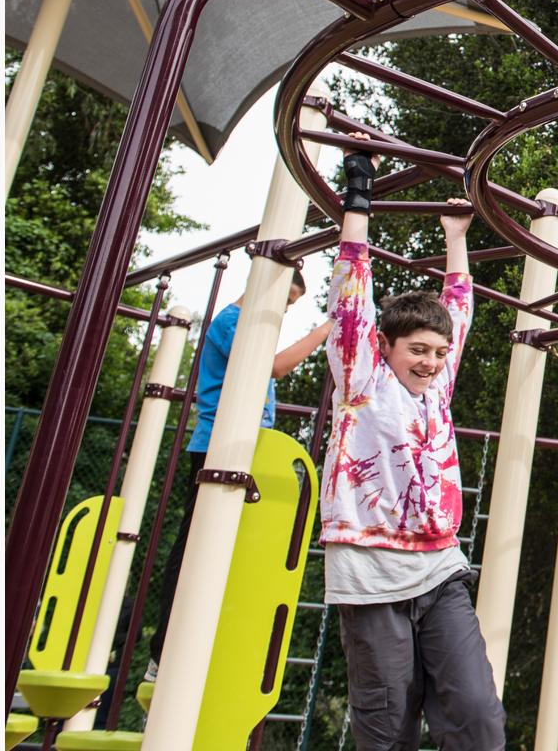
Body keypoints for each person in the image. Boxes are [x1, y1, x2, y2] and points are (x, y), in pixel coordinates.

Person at [321, 134, 504, 750]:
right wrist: (360, 191)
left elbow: (460, 308)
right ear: (386, 348)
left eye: (437, 352)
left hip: (438, 565)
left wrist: (456, 238)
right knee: (387, 722)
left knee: (477, 713)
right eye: (418, 351)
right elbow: (351, 291)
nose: (430, 362)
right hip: (370, 570)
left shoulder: (437, 389)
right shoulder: (363, 379)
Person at [142, 266, 332, 679]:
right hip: (218, 444)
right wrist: (324, 330)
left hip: (245, 445)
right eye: (284, 302)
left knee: (228, 546)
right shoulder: (231, 323)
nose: (283, 312)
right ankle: (164, 650)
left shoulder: (248, 328)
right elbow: (275, 368)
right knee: (195, 542)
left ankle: (202, 642)